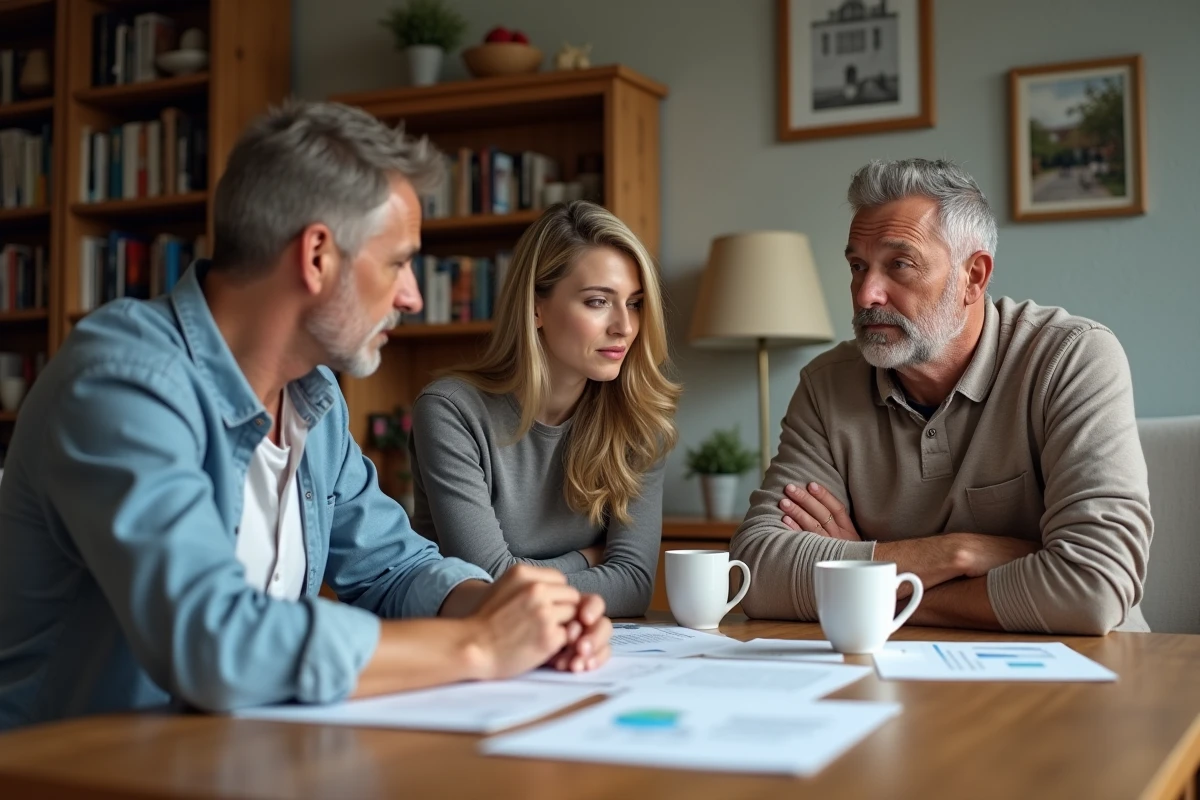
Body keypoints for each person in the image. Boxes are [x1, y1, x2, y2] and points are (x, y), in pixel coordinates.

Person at [0, 101, 612, 731]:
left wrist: (512, 611)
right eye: (399, 262)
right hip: (67, 773)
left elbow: (393, 568)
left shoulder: (312, 400)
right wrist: (478, 644)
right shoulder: (122, 383)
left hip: (234, 760)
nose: (413, 296)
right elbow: (211, 642)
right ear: (317, 255)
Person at [731, 158, 1151, 635]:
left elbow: (1092, 588)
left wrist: (870, 583)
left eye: (900, 264)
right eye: (857, 266)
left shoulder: (1073, 359)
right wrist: (960, 553)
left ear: (973, 277)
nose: (867, 292)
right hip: (903, 682)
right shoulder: (827, 384)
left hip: (1087, 677)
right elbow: (756, 572)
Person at [408, 201, 680, 617]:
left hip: (591, 651)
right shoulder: (451, 412)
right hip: (465, 651)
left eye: (635, 303)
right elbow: (491, 584)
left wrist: (524, 573)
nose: (624, 326)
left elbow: (633, 586)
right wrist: (588, 558)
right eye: (597, 302)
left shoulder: (639, 422)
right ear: (536, 307)